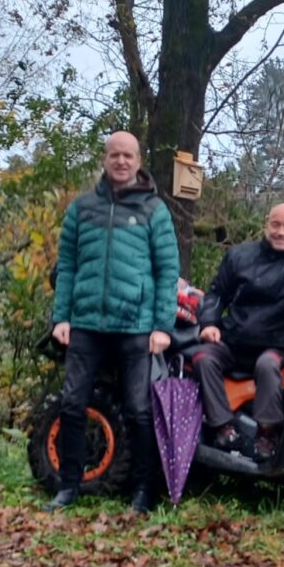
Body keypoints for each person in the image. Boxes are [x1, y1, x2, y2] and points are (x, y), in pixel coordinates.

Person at [47, 131, 180, 514]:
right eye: (114, 155)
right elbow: (68, 266)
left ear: (139, 161)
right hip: (86, 324)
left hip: (136, 326)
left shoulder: (154, 210)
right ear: (105, 159)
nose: (121, 161)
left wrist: (161, 327)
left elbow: (168, 270)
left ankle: (143, 491)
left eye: (128, 156)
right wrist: (62, 317)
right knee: (72, 404)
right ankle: (68, 487)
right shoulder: (82, 208)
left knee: (139, 410)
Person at [193, 203, 284, 461]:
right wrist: (209, 324)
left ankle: (267, 434)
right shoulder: (239, 255)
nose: (281, 232)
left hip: (277, 344)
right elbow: (216, 293)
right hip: (234, 339)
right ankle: (222, 427)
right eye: (276, 224)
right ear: (266, 225)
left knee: (267, 366)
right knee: (203, 358)